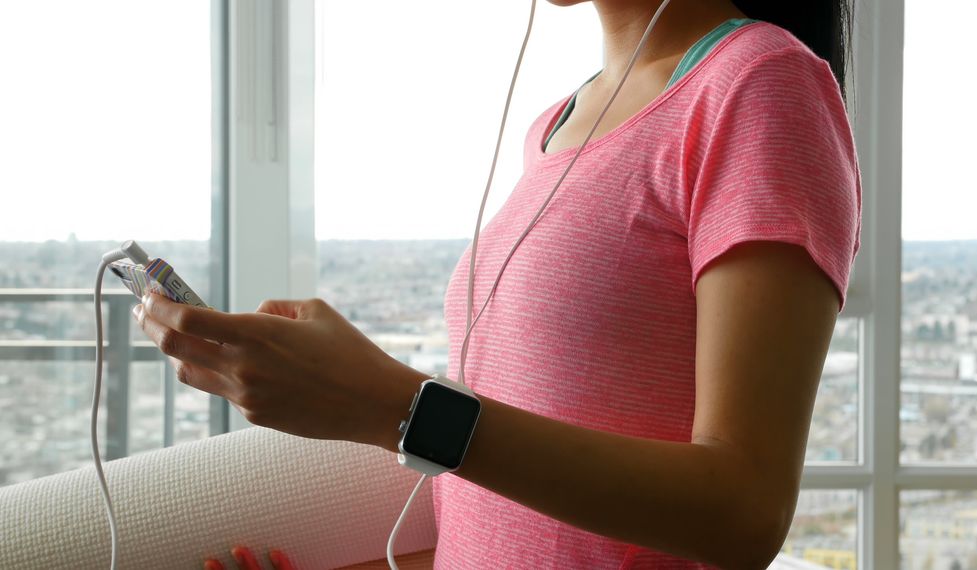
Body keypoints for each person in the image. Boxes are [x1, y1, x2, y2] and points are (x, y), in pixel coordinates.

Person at [134, 0, 860, 567]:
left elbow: (744, 513)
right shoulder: (559, 120)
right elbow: (518, 525)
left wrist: (391, 405)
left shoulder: (759, 82)